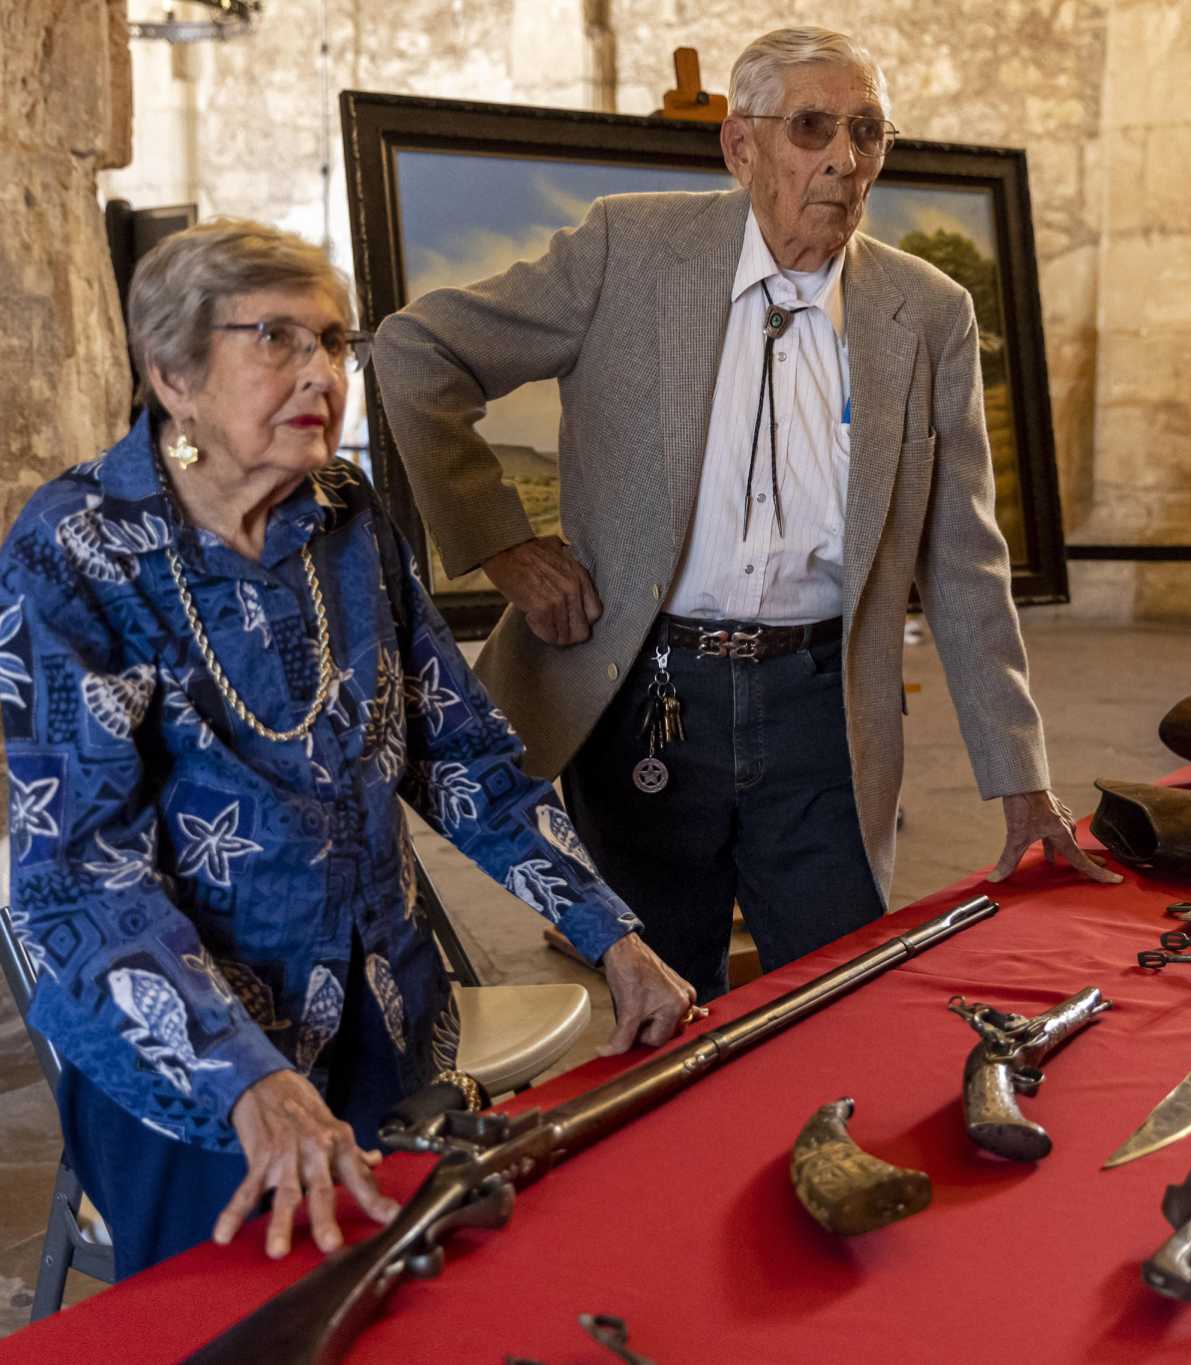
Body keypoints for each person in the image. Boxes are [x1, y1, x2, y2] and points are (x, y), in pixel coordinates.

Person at [0, 220, 696, 1276]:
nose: (320, 372)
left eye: (333, 343)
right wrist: (248, 1082)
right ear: (173, 373)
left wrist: (611, 937)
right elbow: (82, 877)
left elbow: (461, 756)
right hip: (195, 1077)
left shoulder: (346, 519)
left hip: (385, 1028)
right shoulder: (77, 547)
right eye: (275, 339)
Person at [375, 26, 1120, 1005]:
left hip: (824, 705)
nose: (844, 160)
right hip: (642, 697)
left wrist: (1019, 777)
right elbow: (412, 351)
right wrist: (502, 544)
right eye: (811, 127)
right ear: (741, 148)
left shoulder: (925, 312)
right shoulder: (625, 250)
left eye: (867, 132)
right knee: (655, 997)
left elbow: (961, 557)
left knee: (837, 995)